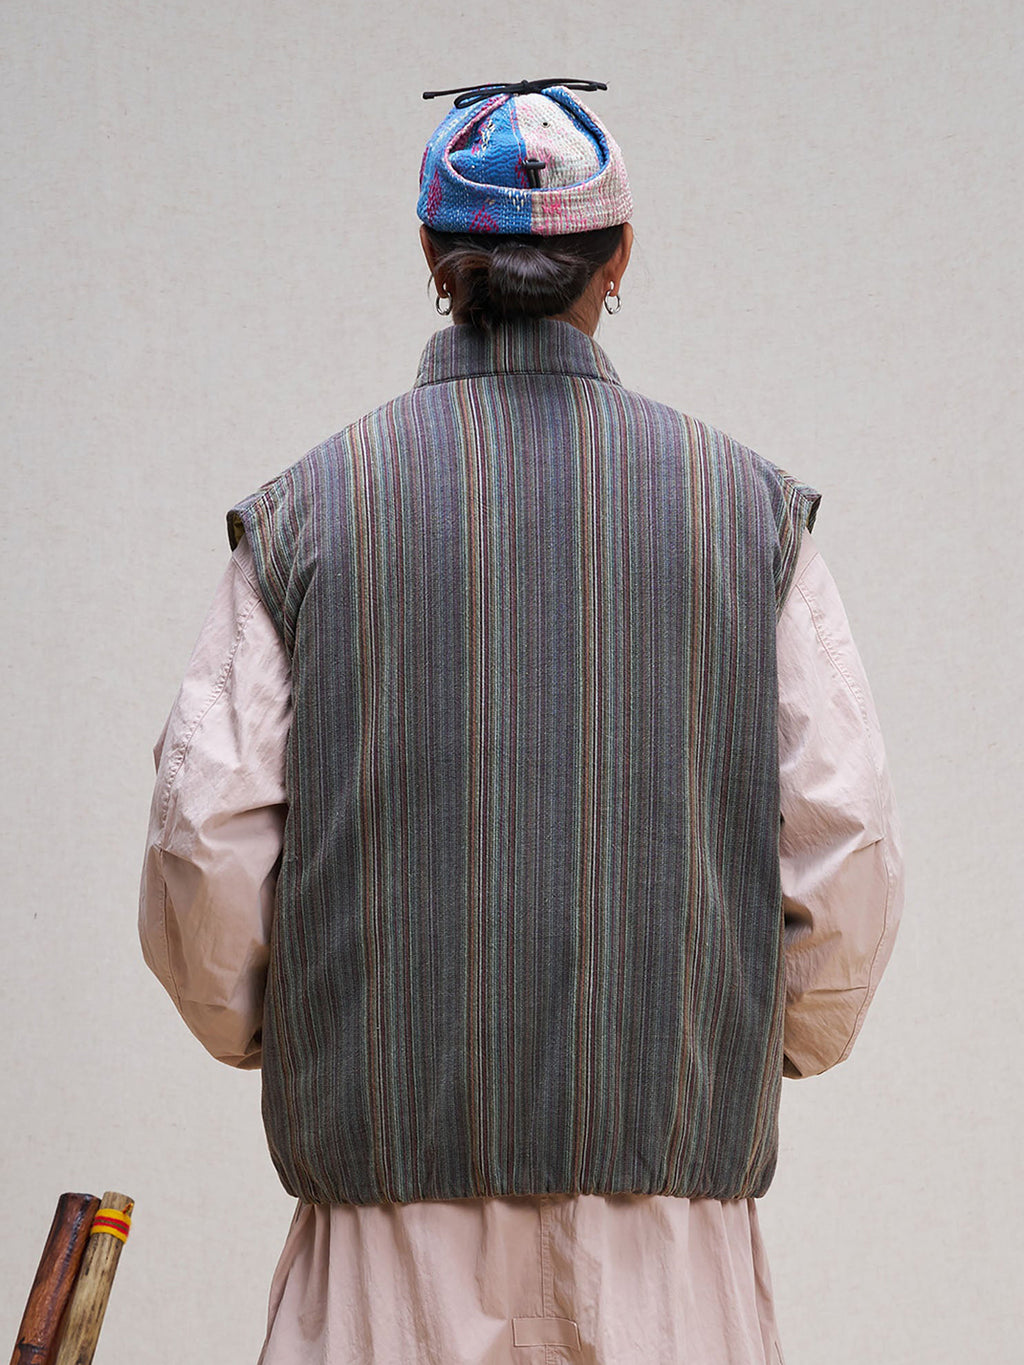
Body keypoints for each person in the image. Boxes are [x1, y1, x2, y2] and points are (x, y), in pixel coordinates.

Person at [138, 78, 904, 1364]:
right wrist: (727, 1054)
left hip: (383, 1246)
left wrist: (300, 1037)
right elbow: (845, 844)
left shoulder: (307, 517)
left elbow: (203, 849)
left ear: (433, 255)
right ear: (618, 257)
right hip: (671, 1251)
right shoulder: (746, 516)